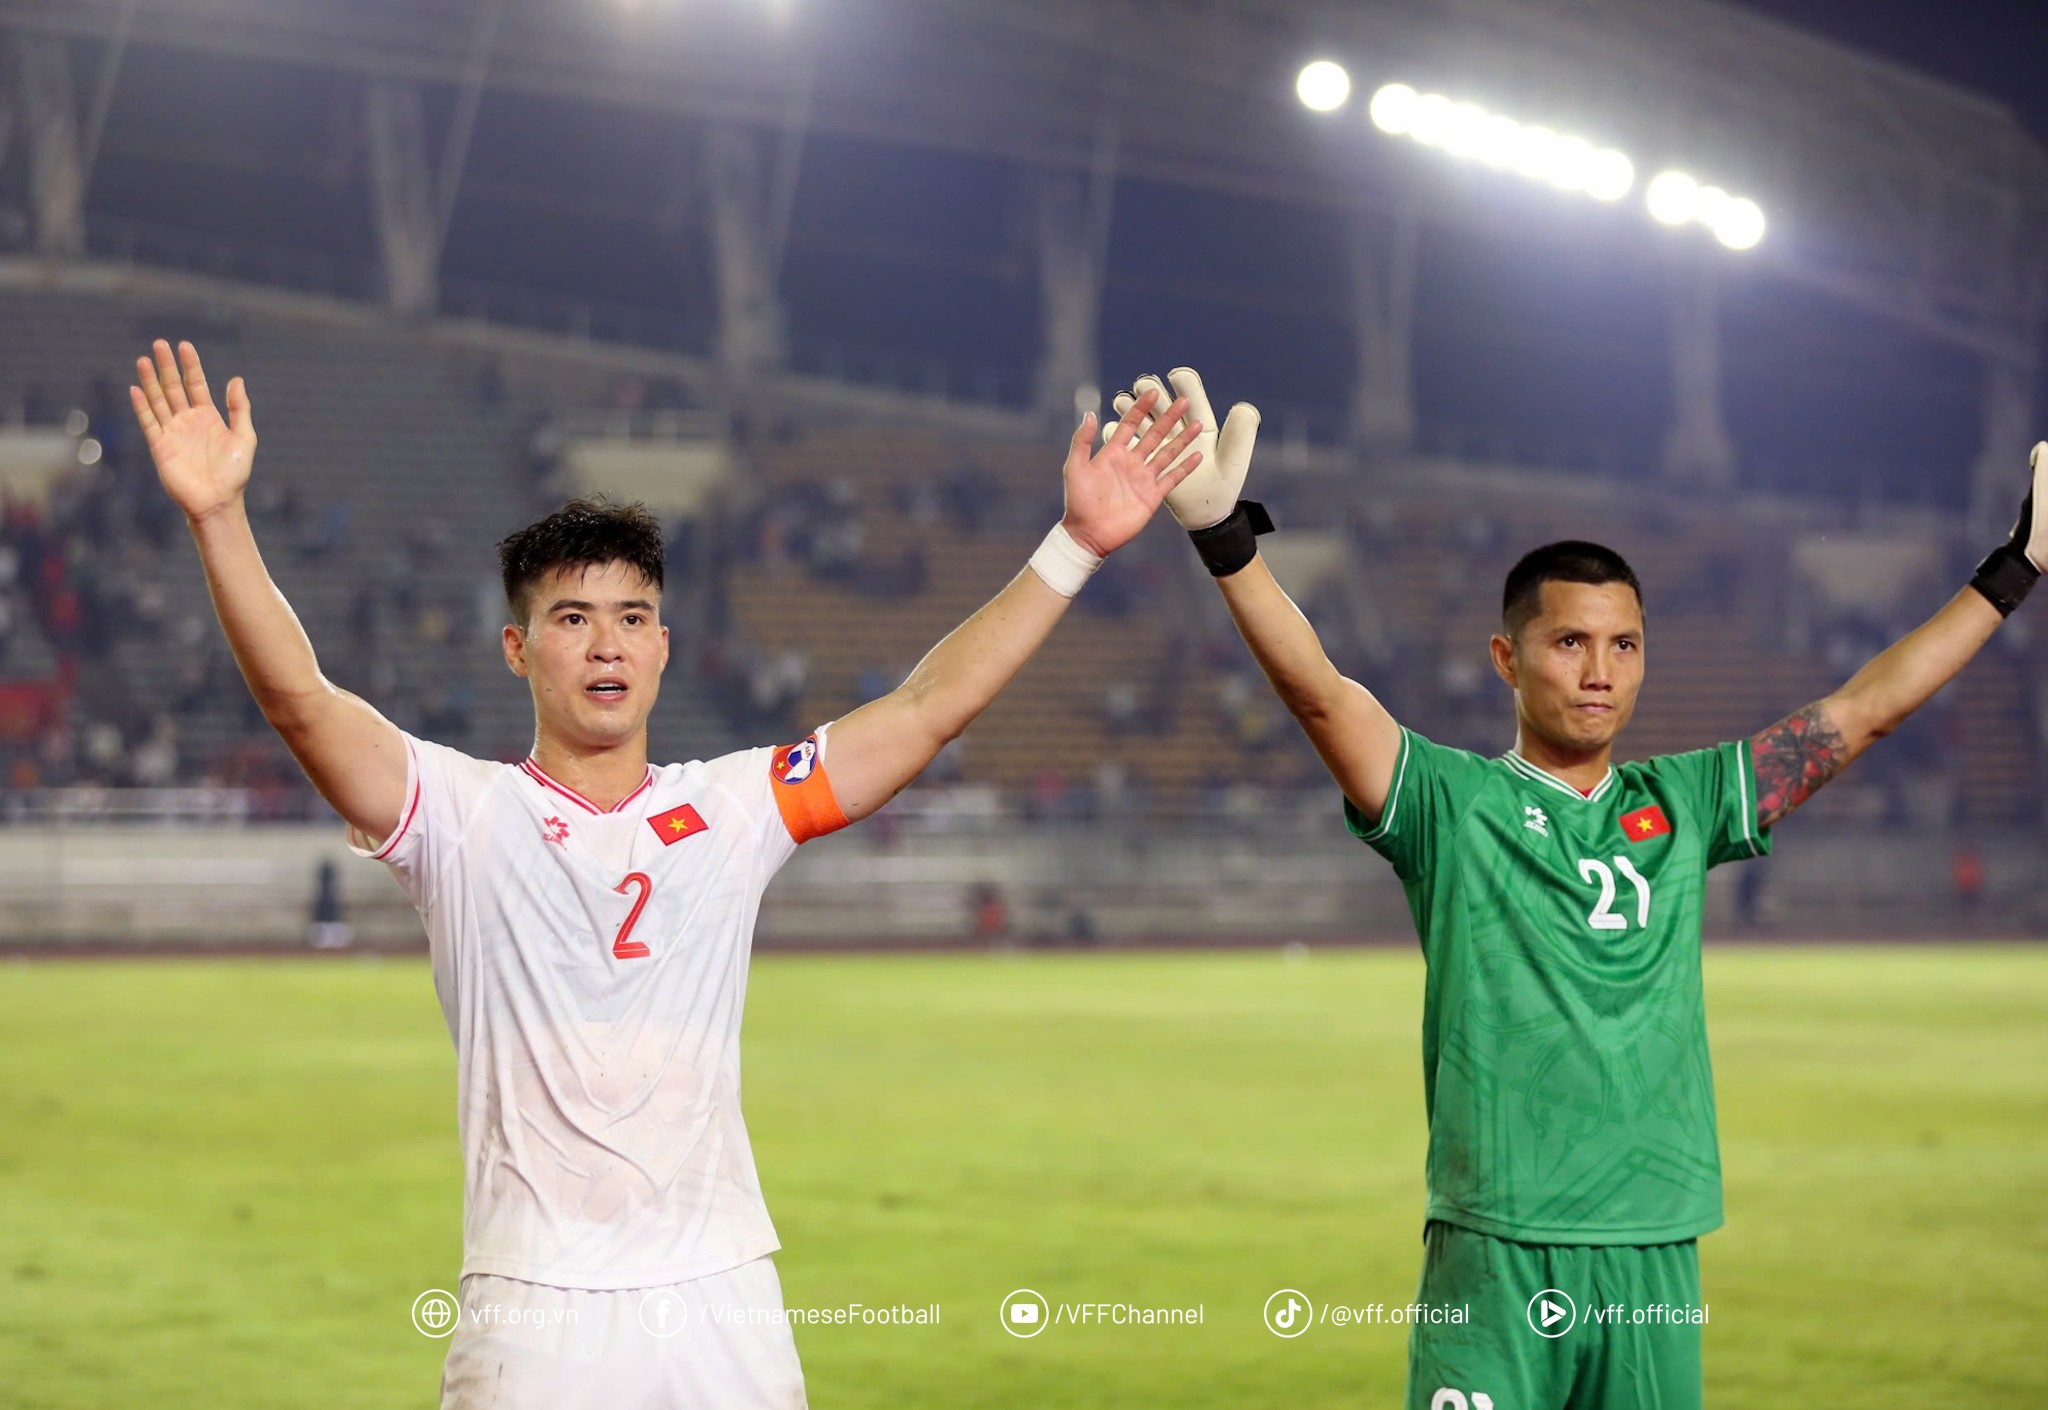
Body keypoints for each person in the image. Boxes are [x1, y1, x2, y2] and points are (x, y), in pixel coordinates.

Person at [128, 339, 1205, 1410]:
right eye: (572, 619)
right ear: (516, 649)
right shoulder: (456, 813)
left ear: (664, 647)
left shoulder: (738, 807)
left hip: (721, 1299)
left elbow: (923, 711)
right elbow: (303, 704)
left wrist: (1072, 544)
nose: (606, 645)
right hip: (534, 1311)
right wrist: (218, 518)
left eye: (631, 619)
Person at [1105, 367, 2046, 1410]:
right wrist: (1225, 546)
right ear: (1507, 659)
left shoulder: (1688, 801)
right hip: (1496, 1242)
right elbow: (1321, 698)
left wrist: (2013, 570)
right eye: (1568, 643)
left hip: (1652, 1245)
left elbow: (1861, 710)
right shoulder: (1447, 804)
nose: (1598, 672)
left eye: (1622, 645)